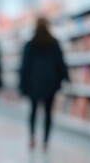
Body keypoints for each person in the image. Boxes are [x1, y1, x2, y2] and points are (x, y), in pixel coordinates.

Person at [19, 17, 69, 151]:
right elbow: (61, 63)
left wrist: (22, 85)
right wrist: (66, 78)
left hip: (34, 82)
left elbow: (24, 67)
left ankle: (32, 136)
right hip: (50, 82)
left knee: (33, 110)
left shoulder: (29, 44)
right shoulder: (54, 43)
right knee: (48, 112)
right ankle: (46, 141)